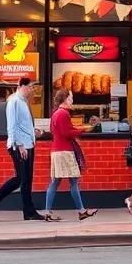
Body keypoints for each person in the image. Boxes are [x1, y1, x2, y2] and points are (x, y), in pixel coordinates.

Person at [0, 77, 40, 221]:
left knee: (27, 179)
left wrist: (34, 132)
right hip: (19, 146)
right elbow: (12, 125)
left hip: (28, 144)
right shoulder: (13, 101)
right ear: (21, 85)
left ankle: (29, 211)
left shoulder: (23, 102)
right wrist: (19, 144)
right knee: (20, 178)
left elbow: (23, 124)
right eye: (30, 87)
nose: (32, 90)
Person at [44, 88, 98, 222]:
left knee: (55, 182)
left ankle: (48, 212)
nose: (72, 101)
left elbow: (57, 131)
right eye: (70, 98)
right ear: (65, 99)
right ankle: (81, 211)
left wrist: (80, 128)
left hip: (56, 150)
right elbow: (66, 133)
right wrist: (83, 130)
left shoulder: (56, 113)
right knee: (74, 181)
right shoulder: (64, 114)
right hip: (65, 151)